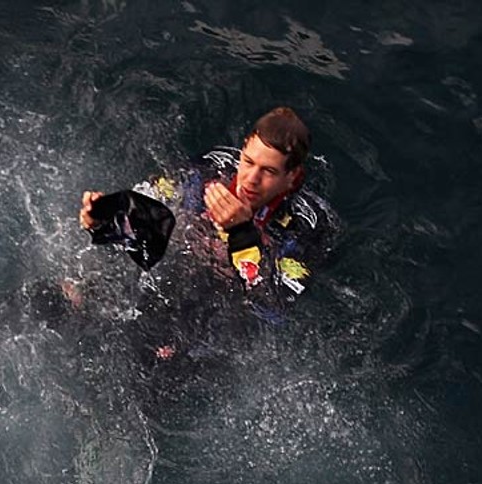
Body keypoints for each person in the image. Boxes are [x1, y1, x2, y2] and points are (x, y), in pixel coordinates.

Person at [78, 106, 337, 323]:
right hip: (166, 270)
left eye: (268, 171)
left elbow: (273, 309)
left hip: (216, 312)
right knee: (67, 297)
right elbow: (150, 213)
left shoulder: (307, 224)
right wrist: (101, 222)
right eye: (248, 162)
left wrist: (242, 234)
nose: (251, 179)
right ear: (243, 149)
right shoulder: (211, 169)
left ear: (292, 176)